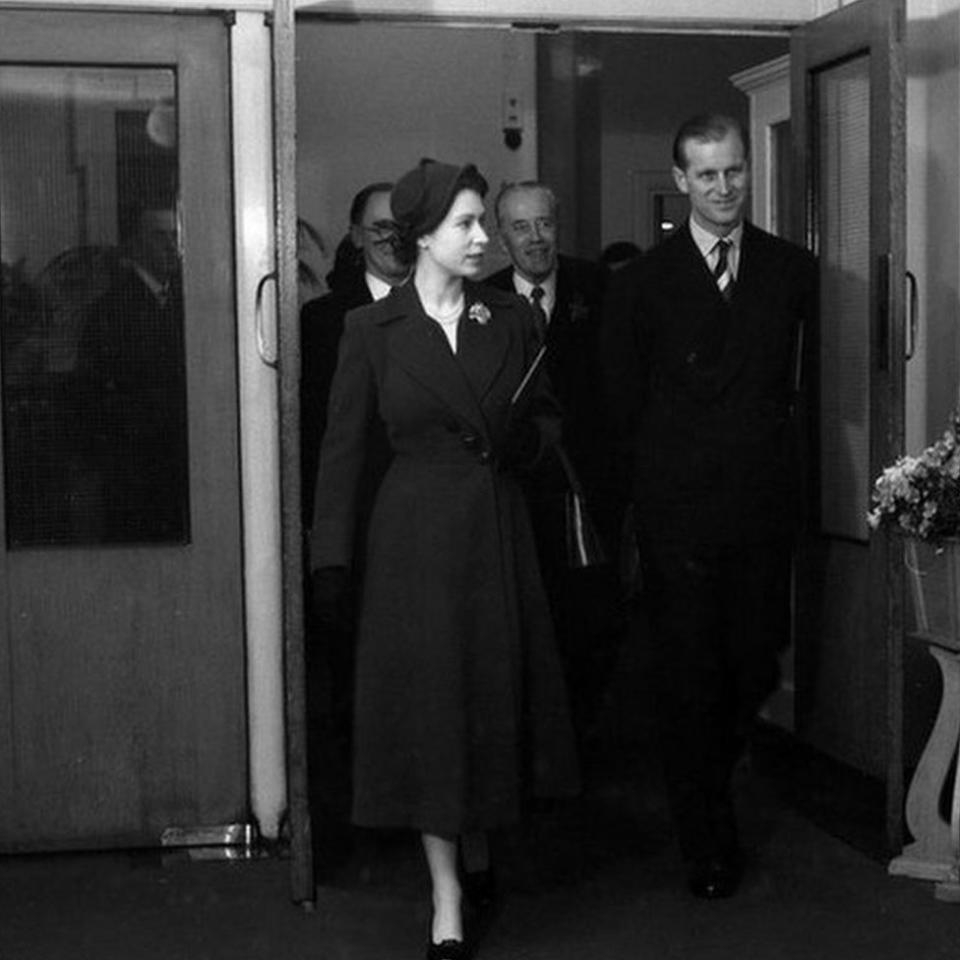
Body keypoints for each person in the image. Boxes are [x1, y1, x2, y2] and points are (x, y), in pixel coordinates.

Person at [310, 158, 579, 959]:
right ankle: (447, 896)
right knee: (433, 709)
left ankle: (482, 841)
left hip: (496, 530)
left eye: (479, 222)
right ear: (422, 236)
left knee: (491, 693)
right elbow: (342, 452)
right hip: (415, 541)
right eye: (463, 224)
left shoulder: (512, 319)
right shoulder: (371, 331)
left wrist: (531, 441)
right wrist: (331, 561)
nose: (481, 236)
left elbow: (550, 417)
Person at [602, 113, 817, 900]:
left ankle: (717, 784)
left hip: (761, 515)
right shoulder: (642, 284)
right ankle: (707, 839)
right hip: (679, 521)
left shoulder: (793, 271)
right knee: (688, 676)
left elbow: (807, 398)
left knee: (753, 663)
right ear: (682, 181)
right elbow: (622, 408)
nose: (724, 188)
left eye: (734, 172)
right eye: (708, 175)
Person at [486, 181, 625, 756]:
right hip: (514, 490)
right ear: (502, 236)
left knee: (591, 618)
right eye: (521, 227)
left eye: (544, 223)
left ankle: (584, 736)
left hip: (591, 489)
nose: (535, 238)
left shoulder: (601, 287)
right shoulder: (482, 298)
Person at [299, 182, 408, 864]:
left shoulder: (445, 307)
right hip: (358, 529)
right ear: (355, 233)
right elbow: (317, 440)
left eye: (403, 228)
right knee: (352, 681)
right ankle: (364, 822)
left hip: (425, 527)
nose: (392, 239)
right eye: (379, 228)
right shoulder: (324, 323)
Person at [75, 206, 188, 544]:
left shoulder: (186, 304)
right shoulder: (111, 311)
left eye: (175, 236)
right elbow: (92, 398)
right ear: (136, 244)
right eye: (159, 236)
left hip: (179, 469)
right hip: (134, 471)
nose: (170, 246)